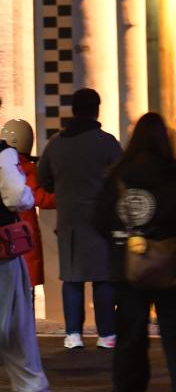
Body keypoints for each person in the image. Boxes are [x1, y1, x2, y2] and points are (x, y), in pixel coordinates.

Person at [93, 112, 176, 392]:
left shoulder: (119, 174)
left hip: (129, 269)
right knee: (175, 336)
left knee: (130, 337)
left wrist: (128, 236)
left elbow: (100, 220)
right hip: (169, 268)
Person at [37, 88, 122, 349]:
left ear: (73, 110)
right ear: (97, 109)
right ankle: (106, 334)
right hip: (100, 221)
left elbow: (43, 180)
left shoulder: (56, 144)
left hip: (69, 221)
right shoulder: (106, 142)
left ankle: (73, 334)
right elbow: (122, 178)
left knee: (72, 279)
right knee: (103, 278)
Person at [0, 129, 64, 392]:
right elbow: (17, 197)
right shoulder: (3, 154)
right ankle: (33, 389)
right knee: (15, 320)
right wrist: (27, 193)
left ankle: (32, 387)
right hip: (2, 253)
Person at [1, 119, 56, 293]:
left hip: (8, 237)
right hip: (20, 237)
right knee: (23, 292)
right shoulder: (26, 168)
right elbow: (41, 198)